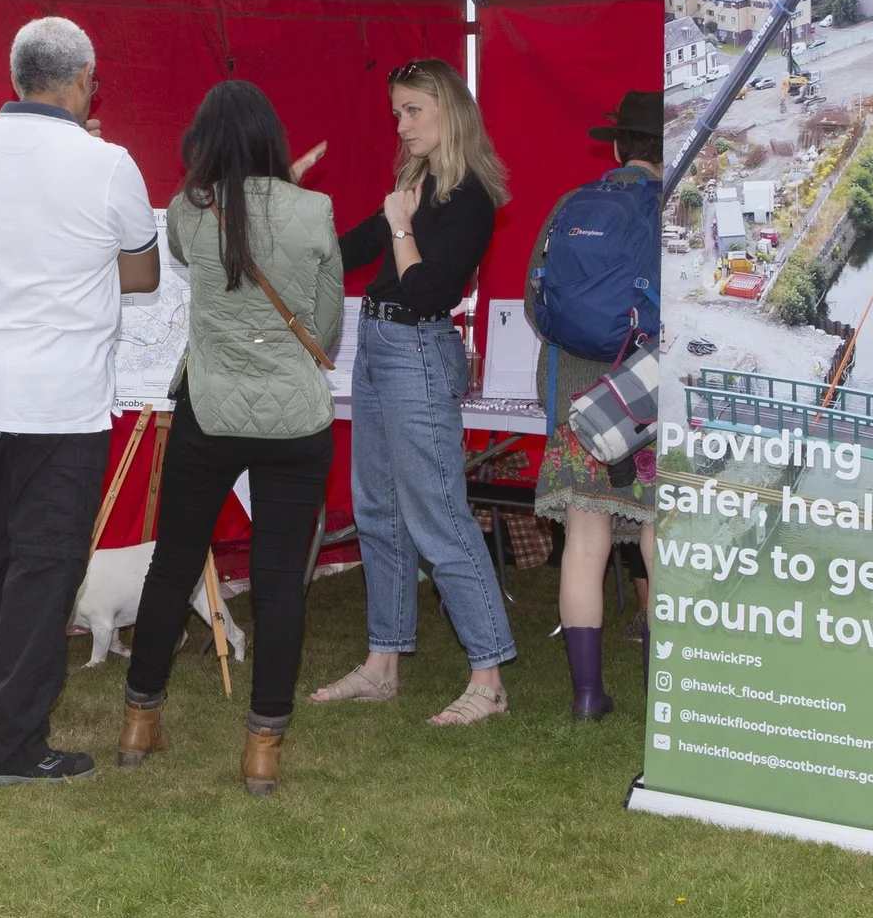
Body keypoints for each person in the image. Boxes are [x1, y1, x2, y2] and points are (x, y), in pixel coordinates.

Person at [0, 16, 160, 786]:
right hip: (61, 401)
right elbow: (143, 275)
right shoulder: (109, 163)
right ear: (79, 80)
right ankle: (10, 747)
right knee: (45, 567)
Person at [117, 81, 341, 794]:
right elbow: (325, 327)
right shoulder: (315, 211)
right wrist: (290, 193)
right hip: (296, 420)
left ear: (204, 144)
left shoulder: (189, 210)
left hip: (209, 413)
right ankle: (262, 751)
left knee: (173, 565)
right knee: (280, 585)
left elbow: (206, 238)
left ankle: (137, 722)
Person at [311, 57, 516, 726]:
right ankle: (382, 666)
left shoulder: (471, 195)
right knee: (378, 512)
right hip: (375, 348)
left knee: (439, 517)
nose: (401, 126)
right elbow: (343, 252)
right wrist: (284, 217)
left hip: (418, 353)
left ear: (448, 111)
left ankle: (488, 678)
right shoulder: (414, 186)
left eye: (412, 111)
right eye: (397, 112)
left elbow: (430, 294)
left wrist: (400, 226)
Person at [528, 91, 663, 719]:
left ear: (616, 146)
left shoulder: (570, 205)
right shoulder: (677, 209)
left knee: (587, 541)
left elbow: (536, 305)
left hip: (580, 405)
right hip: (649, 402)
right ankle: (671, 689)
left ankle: (587, 695)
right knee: (662, 540)